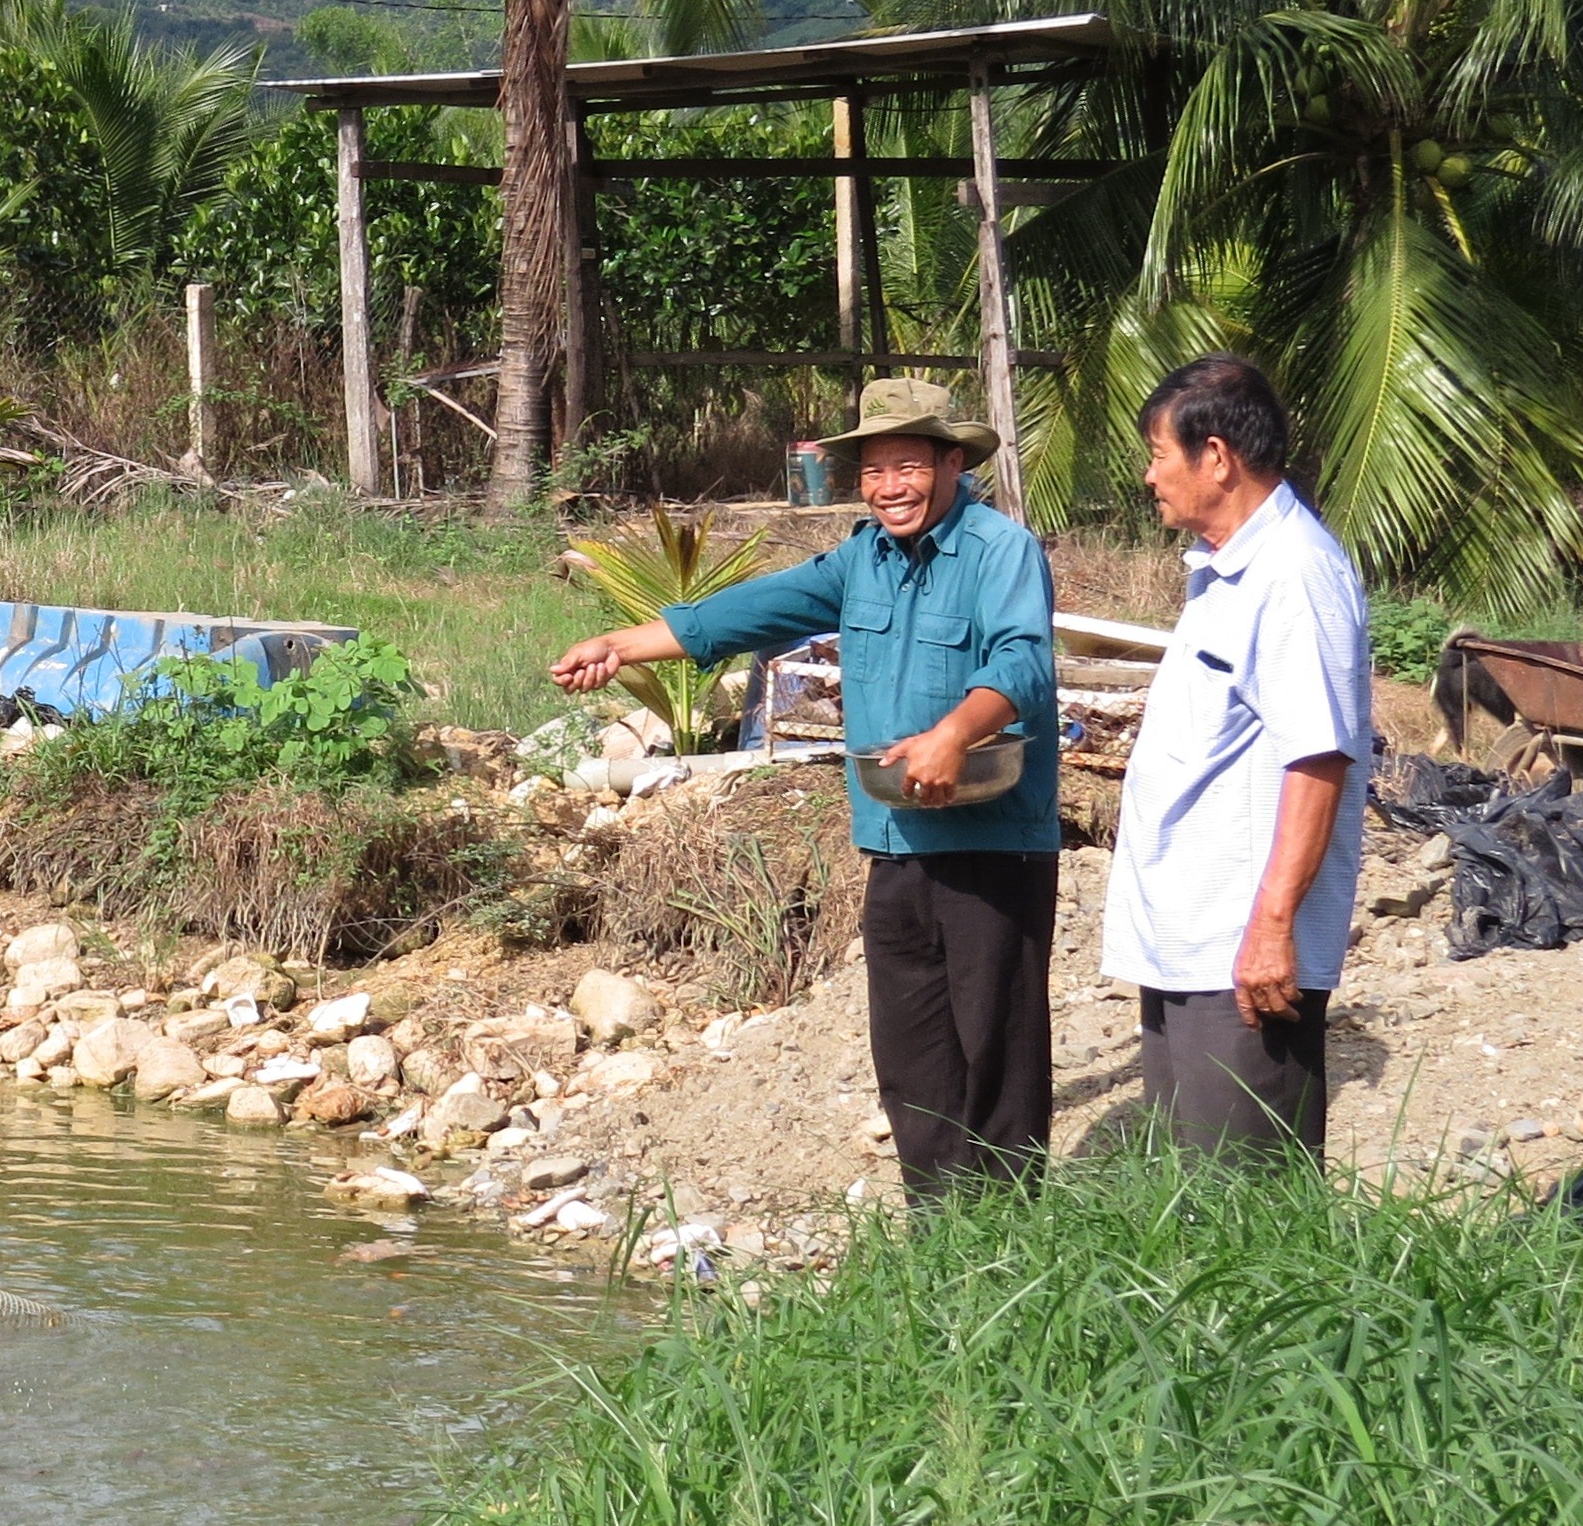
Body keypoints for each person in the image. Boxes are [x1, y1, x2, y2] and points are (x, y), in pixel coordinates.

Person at [549, 378, 1059, 1199]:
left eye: (907, 466)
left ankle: (1009, 1229)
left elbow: (1023, 664)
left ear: (952, 462)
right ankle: (939, 1229)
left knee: (997, 1046)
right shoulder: (862, 559)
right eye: (873, 470)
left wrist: (953, 735)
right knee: (912, 1050)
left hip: (994, 842)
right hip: (894, 839)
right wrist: (619, 642)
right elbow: (742, 614)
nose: (889, 487)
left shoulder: (1001, 551)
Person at [1103, 355, 1371, 1161]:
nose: (1149, 476)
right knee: (1192, 1200)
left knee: (1249, 1204)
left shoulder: (1295, 575)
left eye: (1157, 454)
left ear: (1215, 457)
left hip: (1240, 951)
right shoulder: (1226, 572)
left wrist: (1272, 928)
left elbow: (1319, 759)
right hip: (1190, 937)